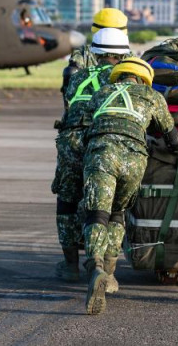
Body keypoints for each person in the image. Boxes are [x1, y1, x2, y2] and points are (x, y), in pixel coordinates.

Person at [80, 57, 178, 315]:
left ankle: (95, 268)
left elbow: (83, 131)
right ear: (144, 78)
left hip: (102, 154)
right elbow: (173, 138)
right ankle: (111, 274)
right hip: (135, 160)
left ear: (119, 76)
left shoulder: (101, 93)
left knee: (96, 214)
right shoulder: (152, 96)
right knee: (117, 214)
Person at [51, 28, 131, 283]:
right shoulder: (123, 80)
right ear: (124, 54)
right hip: (103, 140)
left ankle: (70, 264)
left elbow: (69, 106)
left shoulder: (77, 77)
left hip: (71, 140)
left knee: (67, 198)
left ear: (94, 53)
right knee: (113, 204)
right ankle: (106, 268)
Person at [61, 8, 129, 104]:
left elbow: (72, 73)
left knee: (71, 72)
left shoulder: (84, 52)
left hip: (86, 105)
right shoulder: (129, 56)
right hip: (118, 106)